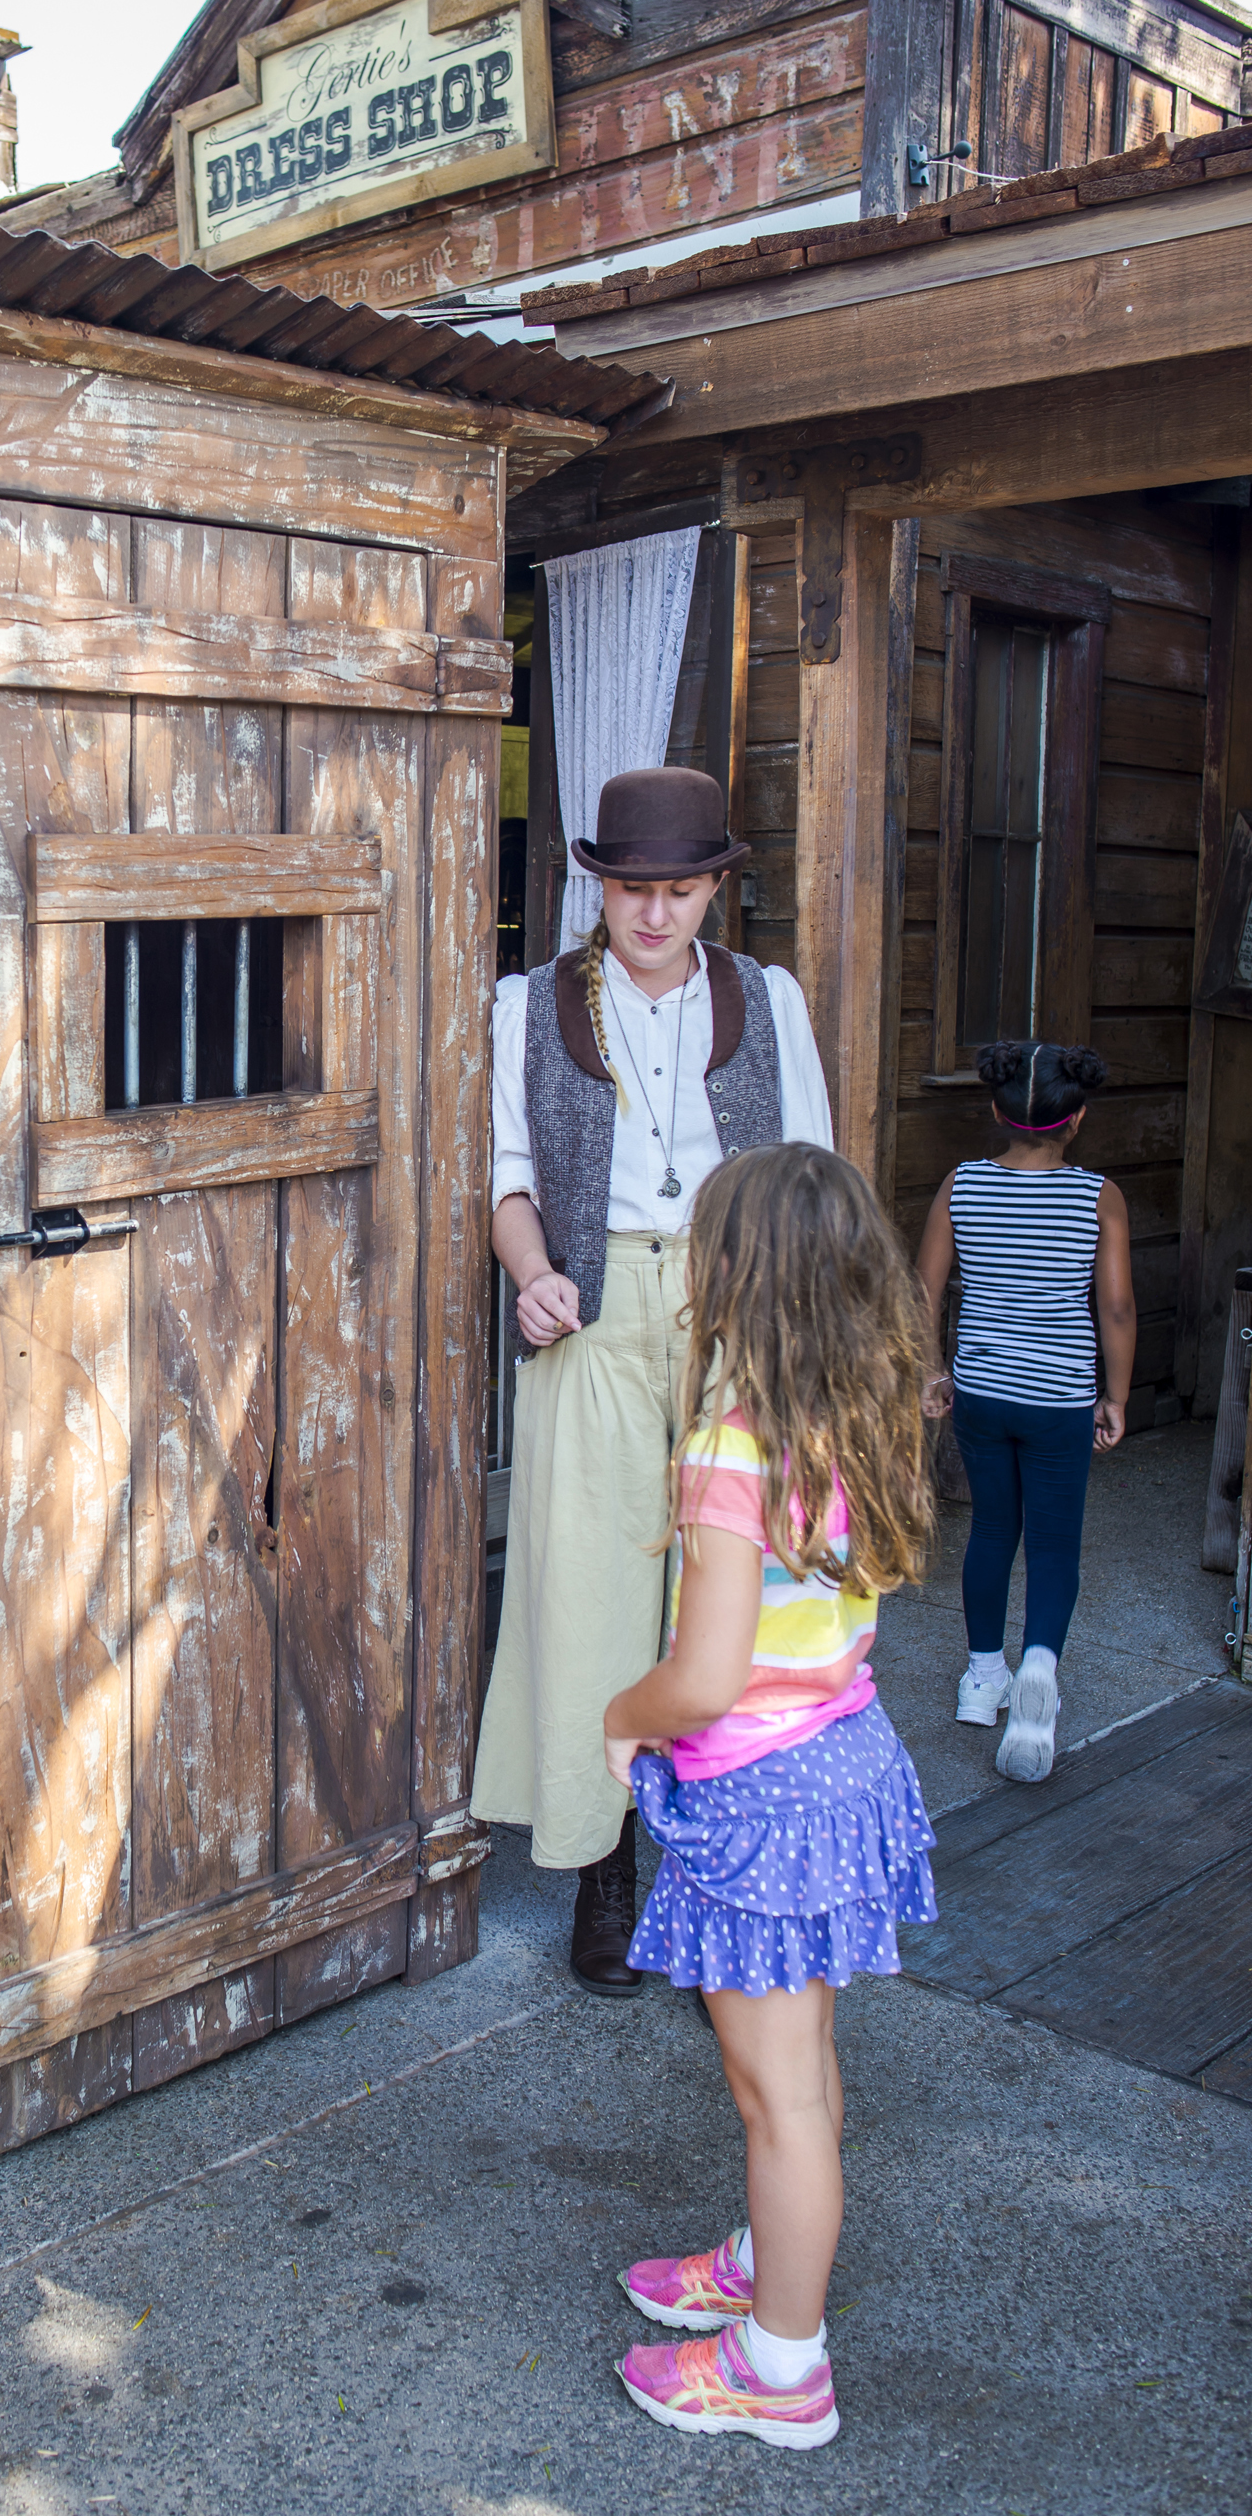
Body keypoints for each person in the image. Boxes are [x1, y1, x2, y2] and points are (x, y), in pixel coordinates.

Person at [472, 765, 832, 1991]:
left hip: (741, 1302)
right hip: (597, 1305)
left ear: (715, 888)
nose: (654, 913)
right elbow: (508, 1179)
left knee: (726, 1590)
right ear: (599, 883)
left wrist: (799, 1339)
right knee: (588, 1590)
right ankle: (602, 1868)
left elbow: (808, 1176)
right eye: (633, 888)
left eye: (680, 890)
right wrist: (532, 1273)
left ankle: (711, 1875)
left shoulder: (768, 999)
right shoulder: (528, 1005)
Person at [604, 1143, 939, 2450]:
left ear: (733, 1274)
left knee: (776, 2096)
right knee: (804, 2069)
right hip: (845, 1766)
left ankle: (781, 2367)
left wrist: (621, 1720)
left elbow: (706, 1674)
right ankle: (767, 2260)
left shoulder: (735, 1440)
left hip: (761, 1798)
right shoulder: (859, 1405)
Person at [915, 1040, 1135, 1785]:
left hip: (981, 1392)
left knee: (990, 1530)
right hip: (1059, 1399)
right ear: (1076, 1120)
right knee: (1052, 1542)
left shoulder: (962, 1184)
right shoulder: (1098, 1196)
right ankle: (1038, 1665)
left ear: (994, 1112)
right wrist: (1116, 1396)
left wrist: (933, 1371)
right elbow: (1116, 1307)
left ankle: (982, 1678)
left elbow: (926, 1290)